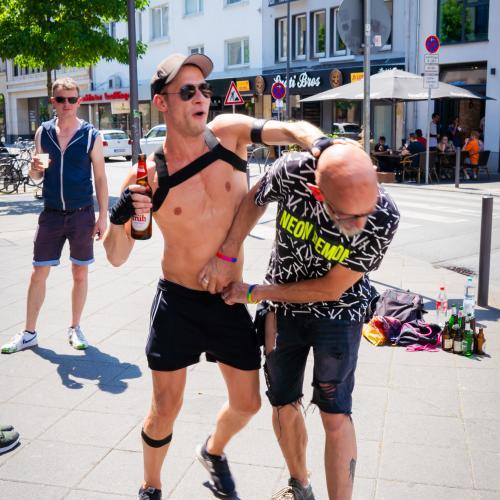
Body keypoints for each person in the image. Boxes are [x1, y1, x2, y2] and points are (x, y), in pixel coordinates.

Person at [102, 52, 331, 500]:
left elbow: (286, 129)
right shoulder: (149, 174)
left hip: (229, 298)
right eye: (187, 91)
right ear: (161, 102)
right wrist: (119, 216)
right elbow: (116, 256)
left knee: (248, 403)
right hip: (179, 303)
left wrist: (319, 141)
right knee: (165, 407)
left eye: (204, 89)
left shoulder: (229, 134)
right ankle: (151, 486)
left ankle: (212, 450)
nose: (200, 98)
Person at [200, 141, 400, 500]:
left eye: (365, 211)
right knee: (282, 400)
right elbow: (256, 197)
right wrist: (228, 251)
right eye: (349, 216)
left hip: (339, 310)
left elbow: (330, 289)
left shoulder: (383, 216)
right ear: (318, 194)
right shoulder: (291, 170)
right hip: (282, 309)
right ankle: (300, 485)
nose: (360, 224)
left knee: (334, 411)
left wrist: (255, 292)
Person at [1, 78, 108, 355]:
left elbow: (100, 177)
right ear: (53, 102)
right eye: (61, 99)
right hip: (51, 214)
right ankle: (29, 333)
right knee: (38, 272)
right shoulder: (43, 132)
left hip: (82, 213)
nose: (67, 104)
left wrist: (102, 216)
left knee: (80, 272)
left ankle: (75, 327)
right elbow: (37, 176)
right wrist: (34, 169)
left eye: (72, 99)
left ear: (79, 101)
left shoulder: (90, 135)